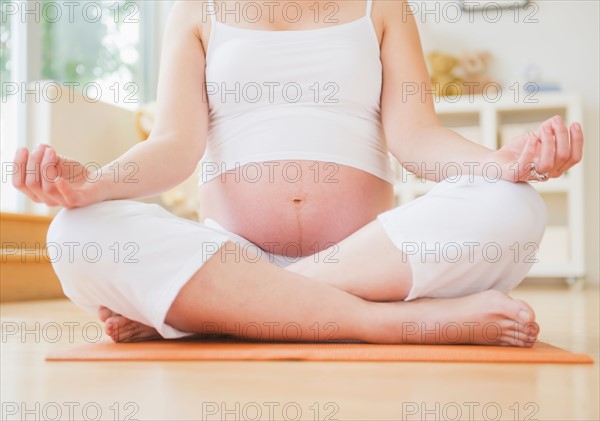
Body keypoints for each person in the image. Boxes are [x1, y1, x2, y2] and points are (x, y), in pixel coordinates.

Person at [12, 0, 583, 346]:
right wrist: (93, 185)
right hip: (233, 252)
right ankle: (386, 323)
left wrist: (500, 164)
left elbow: (417, 139)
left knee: (515, 207)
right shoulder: (196, 10)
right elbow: (174, 145)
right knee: (75, 233)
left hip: (365, 259)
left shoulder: (381, 5)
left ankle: (208, 314)